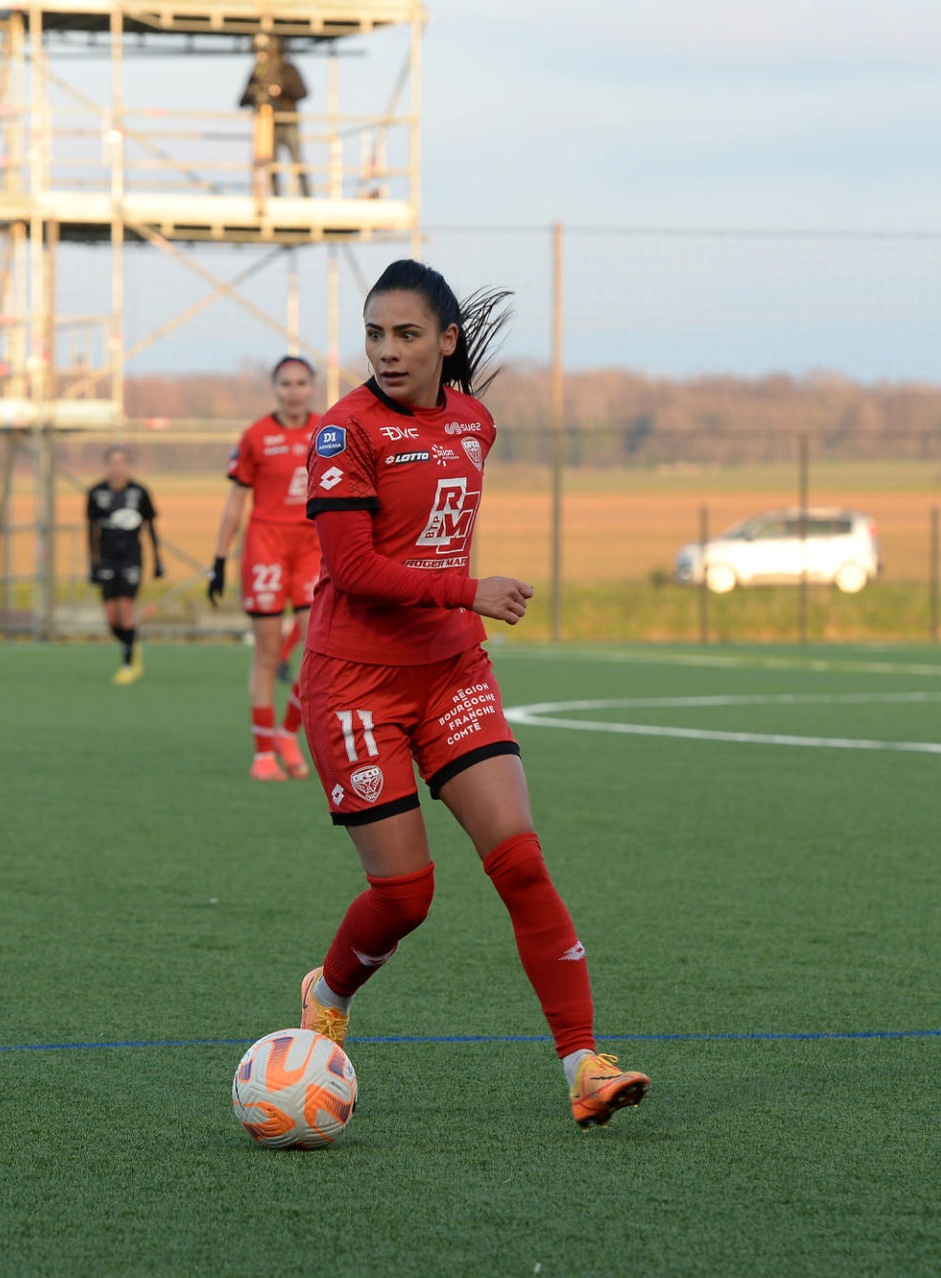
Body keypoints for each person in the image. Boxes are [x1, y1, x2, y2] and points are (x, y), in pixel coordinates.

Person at [293, 260, 650, 1128]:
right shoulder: (345, 434)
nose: (386, 350)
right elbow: (352, 570)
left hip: (451, 669)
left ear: (447, 341)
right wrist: (466, 589)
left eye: (406, 334)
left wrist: (458, 605)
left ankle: (583, 1066)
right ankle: (331, 987)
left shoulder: (474, 423)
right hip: (355, 687)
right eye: (374, 333)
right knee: (407, 897)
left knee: (520, 861)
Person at [207, 356, 321, 781]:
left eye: (301, 383)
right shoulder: (256, 436)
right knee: (269, 652)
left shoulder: (329, 430)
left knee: (316, 651)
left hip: (312, 547)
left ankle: (288, 733)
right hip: (266, 546)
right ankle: (262, 753)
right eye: (286, 384)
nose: (294, 391)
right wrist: (219, 558)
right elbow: (237, 501)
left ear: (311, 387)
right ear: (275, 388)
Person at [87, 445, 163, 685]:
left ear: (128, 466)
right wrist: (93, 564)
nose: (117, 467)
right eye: (113, 462)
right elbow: (91, 531)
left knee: (126, 611)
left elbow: (151, 527)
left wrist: (158, 561)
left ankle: (129, 664)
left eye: (122, 462)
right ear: (107, 465)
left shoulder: (140, 492)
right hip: (107, 559)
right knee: (111, 619)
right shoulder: (96, 493)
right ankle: (132, 643)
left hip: (131, 559)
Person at [238, 33, 312, 197]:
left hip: (288, 122)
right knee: (271, 163)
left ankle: (306, 195)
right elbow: (242, 100)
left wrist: (282, 89)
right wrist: (254, 93)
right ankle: (276, 195)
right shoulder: (257, 71)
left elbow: (302, 92)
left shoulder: (288, 69)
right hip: (268, 124)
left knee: (297, 160)